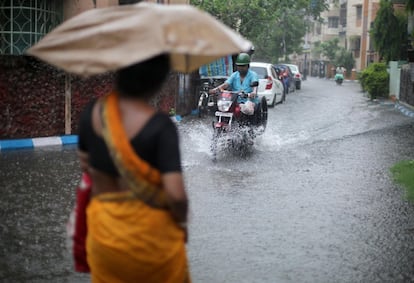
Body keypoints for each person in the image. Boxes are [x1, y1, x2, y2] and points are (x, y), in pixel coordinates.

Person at [77, 53, 191, 282]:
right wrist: (181, 222)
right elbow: (176, 196)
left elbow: (86, 165)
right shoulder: (161, 127)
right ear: (158, 80)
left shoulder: (93, 114)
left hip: (104, 236)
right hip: (151, 241)